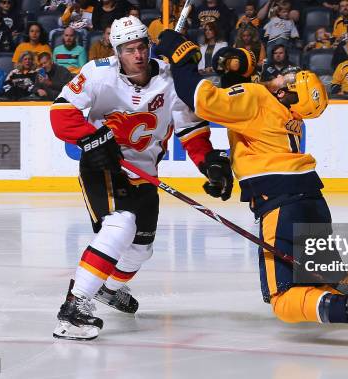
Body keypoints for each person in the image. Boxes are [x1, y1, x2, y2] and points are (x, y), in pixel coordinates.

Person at [156, 29, 348, 350]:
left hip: (280, 203)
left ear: (289, 93)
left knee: (283, 298)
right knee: (335, 279)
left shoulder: (258, 98)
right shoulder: (289, 116)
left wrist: (180, 56)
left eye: (290, 80)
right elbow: (239, 107)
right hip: (310, 199)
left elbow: (202, 99)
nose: (283, 78)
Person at [50, 16, 233, 340]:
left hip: (144, 172)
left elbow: (190, 129)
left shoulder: (170, 80)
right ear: (117, 51)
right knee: (120, 225)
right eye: (129, 49)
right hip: (103, 167)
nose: (137, 55)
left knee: (141, 248)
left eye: (142, 47)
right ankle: (73, 309)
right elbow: (61, 114)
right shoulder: (97, 73)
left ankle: (110, 288)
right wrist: (94, 139)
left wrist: (209, 164)